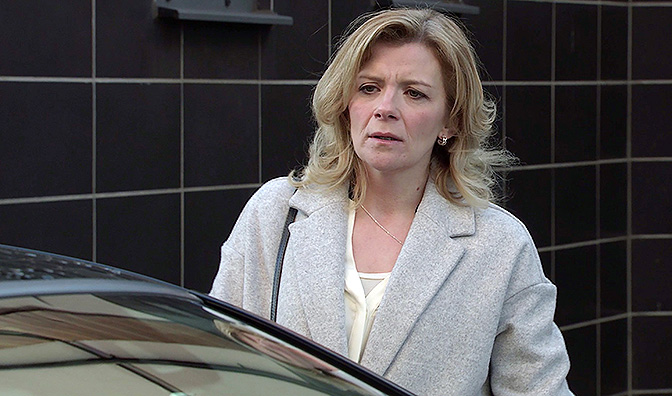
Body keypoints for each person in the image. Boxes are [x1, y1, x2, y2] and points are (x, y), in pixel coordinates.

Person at [211, 8, 574, 396]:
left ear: (450, 122)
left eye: (414, 93)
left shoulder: (499, 246)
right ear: (345, 104)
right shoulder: (276, 212)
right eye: (368, 87)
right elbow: (215, 362)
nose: (385, 108)